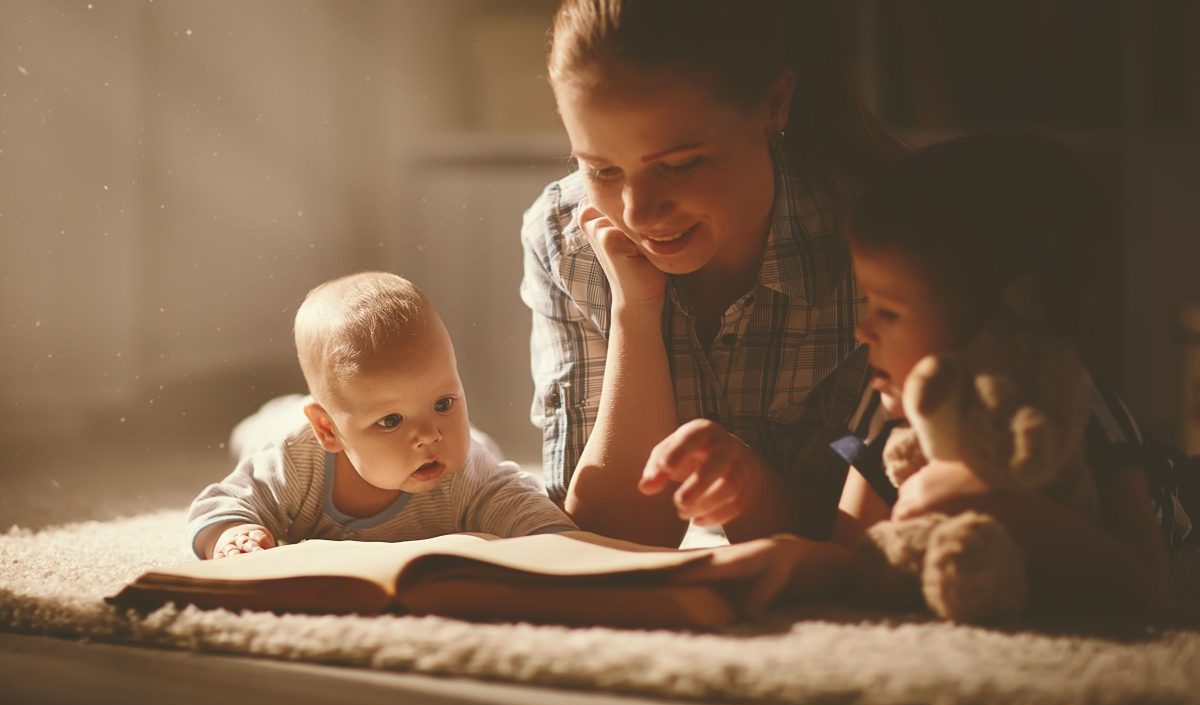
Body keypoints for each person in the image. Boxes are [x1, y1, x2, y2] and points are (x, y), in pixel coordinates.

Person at [675, 132, 1183, 617]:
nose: (862, 331)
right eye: (867, 303)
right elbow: (854, 554)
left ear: (1006, 321)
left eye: (889, 312)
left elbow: (1147, 589)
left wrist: (992, 500)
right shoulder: (885, 407)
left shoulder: (1071, 403)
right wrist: (786, 558)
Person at [521, 0, 904, 547]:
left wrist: (754, 490)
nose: (638, 213)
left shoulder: (876, 243)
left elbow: (872, 539)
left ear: (774, 104)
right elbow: (612, 538)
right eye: (602, 170)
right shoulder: (568, 238)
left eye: (680, 165)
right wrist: (635, 312)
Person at [188, 272, 575, 560]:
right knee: (257, 432)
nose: (429, 434)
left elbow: (519, 504)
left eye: (444, 403)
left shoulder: (467, 474)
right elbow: (221, 504)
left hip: (460, 442)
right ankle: (269, 418)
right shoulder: (293, 464)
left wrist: (556, 538)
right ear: (327, 430)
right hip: (282, 423)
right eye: (391, 420)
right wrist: (233, 534)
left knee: (477, 446)